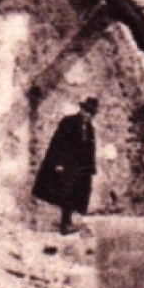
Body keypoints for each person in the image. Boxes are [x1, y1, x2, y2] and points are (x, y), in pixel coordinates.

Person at [33, 96, 99, 235]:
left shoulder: (89, 128)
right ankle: (65, 224)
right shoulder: (68, 122)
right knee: (66, 193)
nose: (88, 115)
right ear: (81, 109)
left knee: (78, 194)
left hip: (81, 167)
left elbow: (90, 148)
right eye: (86, 111)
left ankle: (70, 221)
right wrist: (58, 162)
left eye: (91, 113)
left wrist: (90, 167)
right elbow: (58, 143)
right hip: (68, 165)